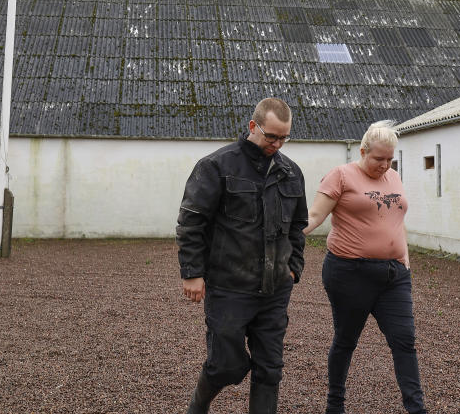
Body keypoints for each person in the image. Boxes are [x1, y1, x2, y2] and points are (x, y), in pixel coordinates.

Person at [176, 97, 309, 414]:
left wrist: (293, 268)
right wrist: (192, 273)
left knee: (270, 368)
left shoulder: (292, 173)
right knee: (225, 365)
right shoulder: (217, 166)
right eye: (271, 136)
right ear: (253, 126)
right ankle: (198, 406)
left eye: (283, 138)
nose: (277, 144)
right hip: (229, 287)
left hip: (274, 290)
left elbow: (298, 226)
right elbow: (191, 222)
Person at [303, 120, 428, 414]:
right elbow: (314, 216)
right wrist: (284, 234)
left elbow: (397, 220)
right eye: (378, 159)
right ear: (362, 151)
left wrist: (404, 257)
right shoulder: (340, 176)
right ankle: (335, 405)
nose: (384, 165)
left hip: (394, 275)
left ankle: (417, 409)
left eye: (389, 159)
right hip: (349, 273)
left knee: (405, 340)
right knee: (346, 340)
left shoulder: (394, 178)